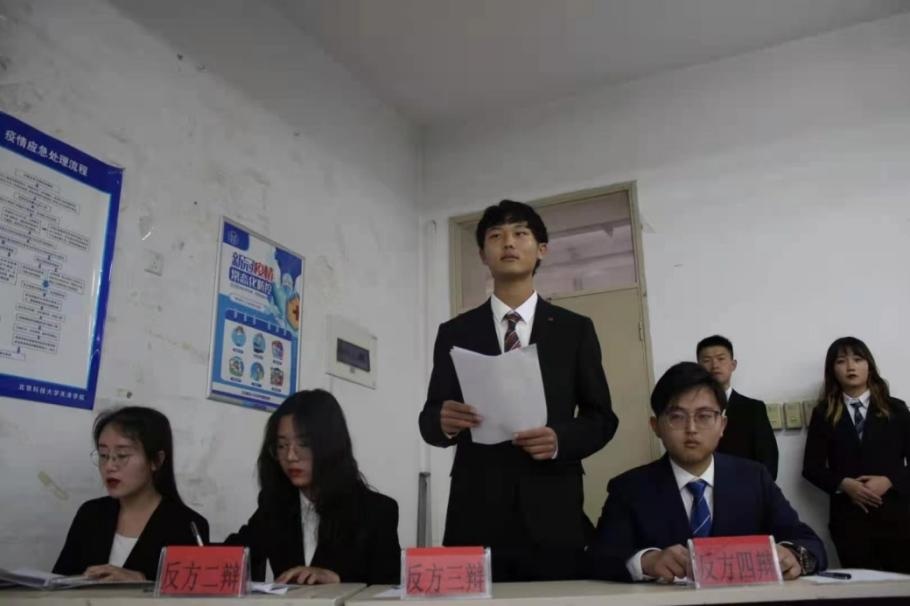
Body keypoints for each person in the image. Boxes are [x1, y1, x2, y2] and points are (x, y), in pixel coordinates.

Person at [419, 199, 617, 581]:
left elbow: (602, 418)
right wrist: (443, 422)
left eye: (520, 233)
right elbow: (430, 419)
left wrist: (559, 439)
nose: (508, 242)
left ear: (541, 249)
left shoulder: (574, 330)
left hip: (553, 508)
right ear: (483, 255)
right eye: (496, 236)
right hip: (475, 508)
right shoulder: (455, 332)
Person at [590, 362, 826, 582]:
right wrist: (647, 562)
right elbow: (599, 558)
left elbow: (809, 542)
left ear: (722, 425)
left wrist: (793, 555)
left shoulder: (754, 478)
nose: (691, 429)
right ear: (656, 426)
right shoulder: (629, 488)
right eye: (677, 417)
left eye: (704, 416)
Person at [226, 389, 400, 584]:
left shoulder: (377, 512)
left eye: (304, 444)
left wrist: (339, 581)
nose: (291, 456)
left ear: (331, 446)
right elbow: (235, 553)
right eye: (282, 446)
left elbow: (388, 589)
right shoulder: (275, 504)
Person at [53, 407, 209, 581]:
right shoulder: (90, 513)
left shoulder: (188, 526)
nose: (109, 466)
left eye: (122, 455)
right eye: (103, 455)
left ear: (156, 460)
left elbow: (190, 591)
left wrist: (142, 583)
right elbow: (58, 582)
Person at [803, 337, 910, 572]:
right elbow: (811, 468)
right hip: (849, 521)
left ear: (869, 366)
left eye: (858, 359)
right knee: (862, 587)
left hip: (898, 517)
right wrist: (844, 484)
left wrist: (890, 480)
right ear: (832, 370)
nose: (850, 367)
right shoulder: (823, 413)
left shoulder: (896, 409)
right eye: (841, 361)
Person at [697, 335, 778, 478]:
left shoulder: (753, 409)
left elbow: (768, 460)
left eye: (721, 359)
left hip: (746, 486)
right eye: (707, 360)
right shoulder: (691, 411)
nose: (714, 365)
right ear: (698, 368)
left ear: (733, 365)